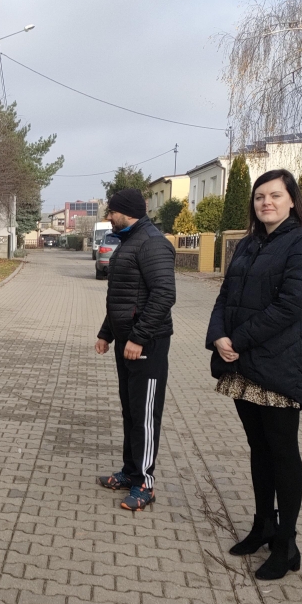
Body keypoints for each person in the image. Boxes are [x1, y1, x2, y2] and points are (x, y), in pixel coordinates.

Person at [206, 169, 302, 580]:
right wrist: (218, 335)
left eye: (275, 195)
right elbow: (225, 295)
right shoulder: (248, 244)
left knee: (282, 450)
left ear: (292, 199)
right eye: (259, 197)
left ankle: (286, 543)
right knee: (258, 448)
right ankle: (263, 526)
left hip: (281, 362)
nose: (266, 202)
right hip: (243, 362)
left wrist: (236, 338)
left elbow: (291, 305)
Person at [94, 187, 176, 512]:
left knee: (144, 416)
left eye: (111, 211)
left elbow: (164, 295)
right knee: (130, 411)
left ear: (126, 211)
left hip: (146, 346)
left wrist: (139, 337)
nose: (108, 217)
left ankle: (145, 482)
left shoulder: (152, 243)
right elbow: (122, 298)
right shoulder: (131, 241)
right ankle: (130, 472)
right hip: (127, 345)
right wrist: (106, 333)